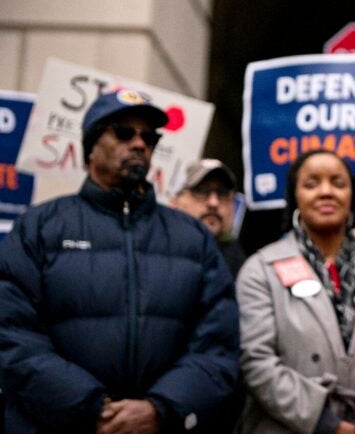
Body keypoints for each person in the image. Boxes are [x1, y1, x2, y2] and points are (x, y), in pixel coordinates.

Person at [0, 89, 239, 432]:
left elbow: (218, 345)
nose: (140, 144)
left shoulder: (193, 239)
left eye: (149, 137)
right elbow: (12, 335)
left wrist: (159, 409)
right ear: (90, 147)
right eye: (124, 132)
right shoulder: (39, 228)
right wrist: (92, 407)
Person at [236, 149, 355, 434]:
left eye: (338, 183)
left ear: (352, 197)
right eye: (311, 184)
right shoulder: (261, 269)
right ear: (294, 196)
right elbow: (256, 361)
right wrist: (327, 424)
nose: (326, 192)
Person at [171, 158, 247, 277]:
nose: (214, 202)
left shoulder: (243, 270)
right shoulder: (151, 253)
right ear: (175, 202)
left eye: (222, 193)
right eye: (201, 191)